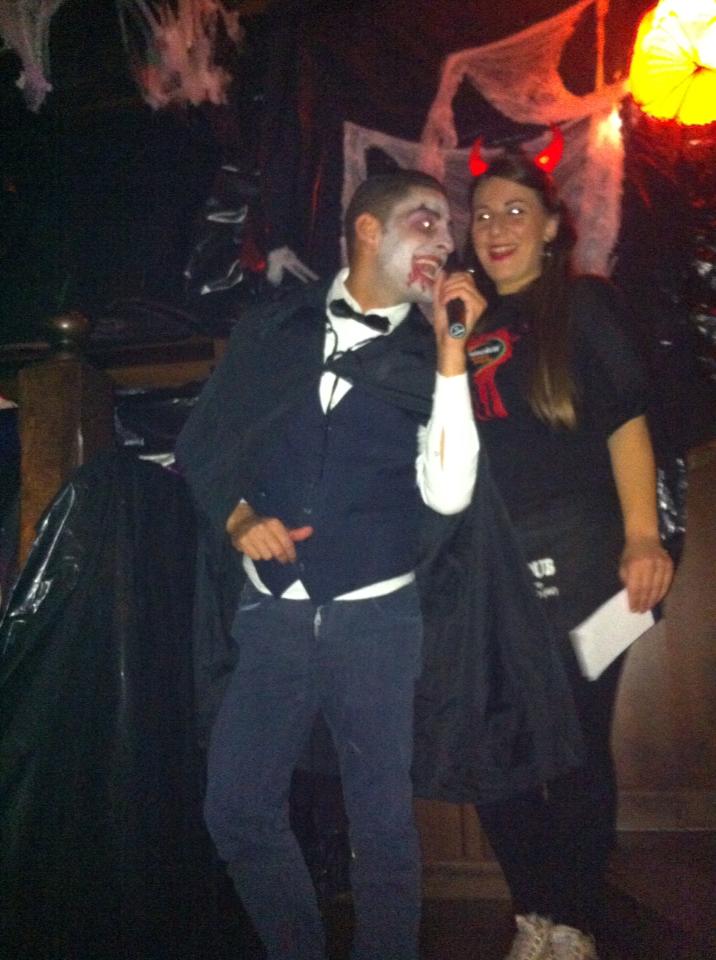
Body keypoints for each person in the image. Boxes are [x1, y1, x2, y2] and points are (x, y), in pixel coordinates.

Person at [175, 169, 486, 960]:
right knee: (236, 809)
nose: (447, 241)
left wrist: (452, 354)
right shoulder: (274, 325)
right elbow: (205, 441)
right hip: (271, 614)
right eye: (427, 223)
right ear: (369, 231)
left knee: (381, 824)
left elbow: (450, 493)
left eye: (449, 229)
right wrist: (239, 517)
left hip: (377, 617)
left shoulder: (429, 351)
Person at [461, 149, 674, 960]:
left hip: (585, 557)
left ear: (552, 227)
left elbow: (626, 424)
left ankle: (573, 922)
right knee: (495, 749)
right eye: (483, 214)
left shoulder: (582, 305)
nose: (496, 227)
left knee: (576, 744)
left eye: (516, 211)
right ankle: (537, 913)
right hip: (494, 566)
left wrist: (643, 538)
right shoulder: (461, 324)